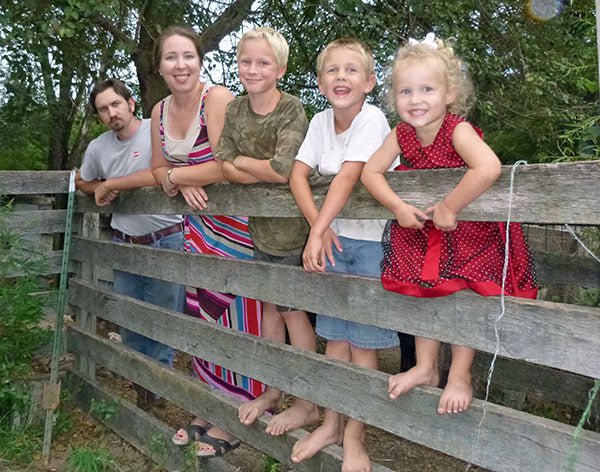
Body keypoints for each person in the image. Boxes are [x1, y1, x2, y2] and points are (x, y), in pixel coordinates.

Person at [361, 33, 538, 416]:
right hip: (422, 234)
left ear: (449, 92)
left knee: (463, 298)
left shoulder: (457, 129)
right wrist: (397, 206)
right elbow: (370, 173)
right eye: (406, 91)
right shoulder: (401, 134)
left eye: (427, 89)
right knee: (420, 292)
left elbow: (488, 167)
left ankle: (460, 373)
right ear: (394, 98)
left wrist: (450, 206)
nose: (416, 99)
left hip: (468, 235)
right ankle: (425, 366)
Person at [150, 25, 263, 458]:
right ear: (159, 66)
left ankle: (236, 413)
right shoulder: (159, 111)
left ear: (200, 61)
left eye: (188, 56)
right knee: (202, 314)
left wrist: (179, 177)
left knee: (237, 311)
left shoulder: (216, 99)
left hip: (233, 219)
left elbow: (224, 163)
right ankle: (207, 406)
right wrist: (174, 179)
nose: (181, 65)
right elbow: (158, 168)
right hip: (197, 223)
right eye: (171, 57)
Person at [289, 38, 400, 472]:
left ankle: (356, 436)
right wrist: (323, 225)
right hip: (334, 240)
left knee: (364, 347)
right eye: (332, 70)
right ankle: (332, 423)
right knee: (334, 340)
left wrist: (315, 233)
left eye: (352, 70)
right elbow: (298, 175)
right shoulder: (319, 122)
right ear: (320, 82)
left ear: (369, 82)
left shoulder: (372, 119)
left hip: (370, 245)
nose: (341, 77)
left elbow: (350, 175)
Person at [215, 27, 320, 437]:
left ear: (280, 69)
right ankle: (273, 391)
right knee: (270, 311)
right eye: (246, 61)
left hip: (293, 231)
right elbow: (222, 158)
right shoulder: (237, 109)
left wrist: (241, 166)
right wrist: (242, 166)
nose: (253, 69)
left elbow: (283, 169)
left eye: (263, 63)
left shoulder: (292, 109)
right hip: (259, 230)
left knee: (294, 313)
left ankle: (308, 403)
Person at [76, 78, 184, 410]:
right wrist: (94, 188)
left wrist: (111, 184)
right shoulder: (98, 147)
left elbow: (166, 173)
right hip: (124, 243)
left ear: (131, 104)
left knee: (162, 319)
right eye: (103, 109)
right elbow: (81, 179)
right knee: (129, 320)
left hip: (166, 239)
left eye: (115, 104)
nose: (111, 113)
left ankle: (159, 386)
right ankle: (141, 384)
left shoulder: (157, 131)